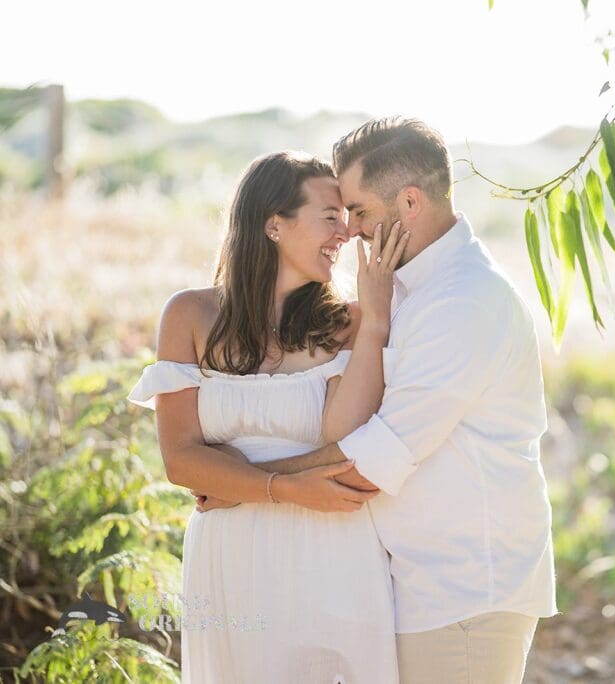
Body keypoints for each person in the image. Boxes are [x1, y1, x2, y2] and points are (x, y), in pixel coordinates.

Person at [222, 117, 558, 682]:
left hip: (465, 592)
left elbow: (376, 459)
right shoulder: (405, 290)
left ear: (409, 201)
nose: (350, 230)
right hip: (420, 585)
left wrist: (244, 483)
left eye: (360, 211)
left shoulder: (464, 303)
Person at [127, 150, 409, 683]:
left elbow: (350, 441)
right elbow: (181, 460)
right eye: (330, 216)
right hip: (232, 556)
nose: (346, 233)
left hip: (333, 547)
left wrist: (375, 321)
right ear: (273, 224)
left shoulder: (350, 324)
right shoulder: (189, 315)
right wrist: (285, 488)